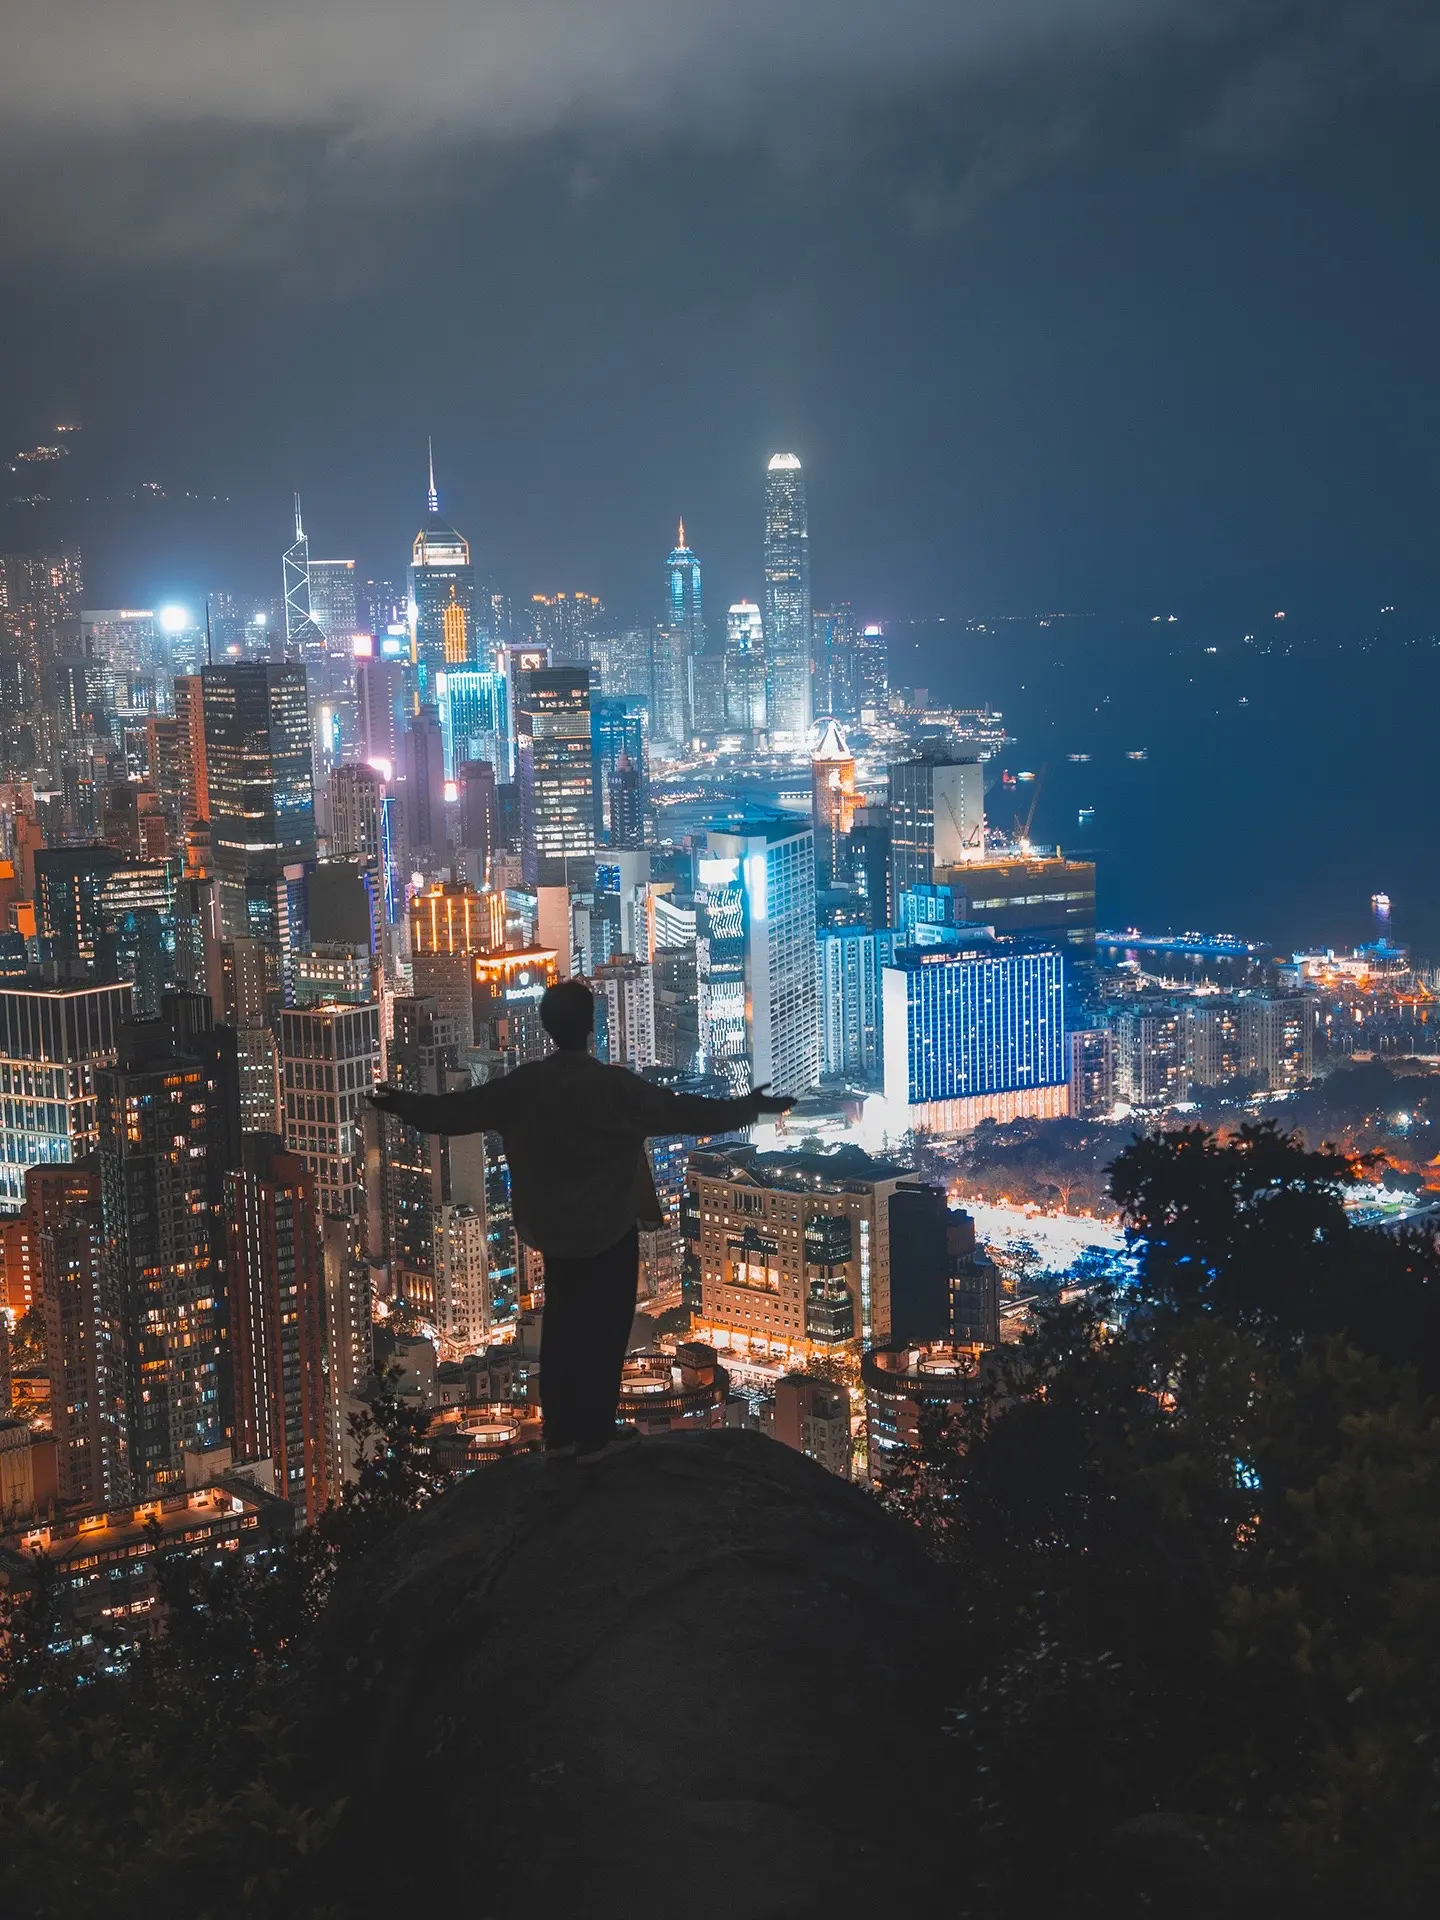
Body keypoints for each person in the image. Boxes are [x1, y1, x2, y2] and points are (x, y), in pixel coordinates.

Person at [369, 978, 793, 1464]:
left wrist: (401, 1103)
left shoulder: (526, 1087)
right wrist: (748, 1107)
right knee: (605, 1330)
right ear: (591, 1026)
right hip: (611, 1228)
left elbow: (455, 1112)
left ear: (547, 1028)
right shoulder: (613, 1088)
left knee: (563, 1328)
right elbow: (685, 1112)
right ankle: (593, 1433)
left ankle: (562, 1433)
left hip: (555, 1231)